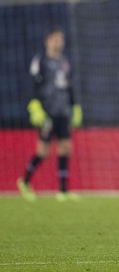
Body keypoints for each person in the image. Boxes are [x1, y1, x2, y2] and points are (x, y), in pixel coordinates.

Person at [17, 28, 82, 202]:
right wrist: (36, 107)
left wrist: (75, 107)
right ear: (47, 40)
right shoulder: (41, 61)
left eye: (60, 39)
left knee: (65, 147)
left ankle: (63, 190)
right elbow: (33, 86)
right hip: (47, 112)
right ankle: (24, 182)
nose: (58, 42)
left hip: (63, 111)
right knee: (43, 151)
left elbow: (70, 87)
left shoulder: (64, 62)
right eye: (55, 39)